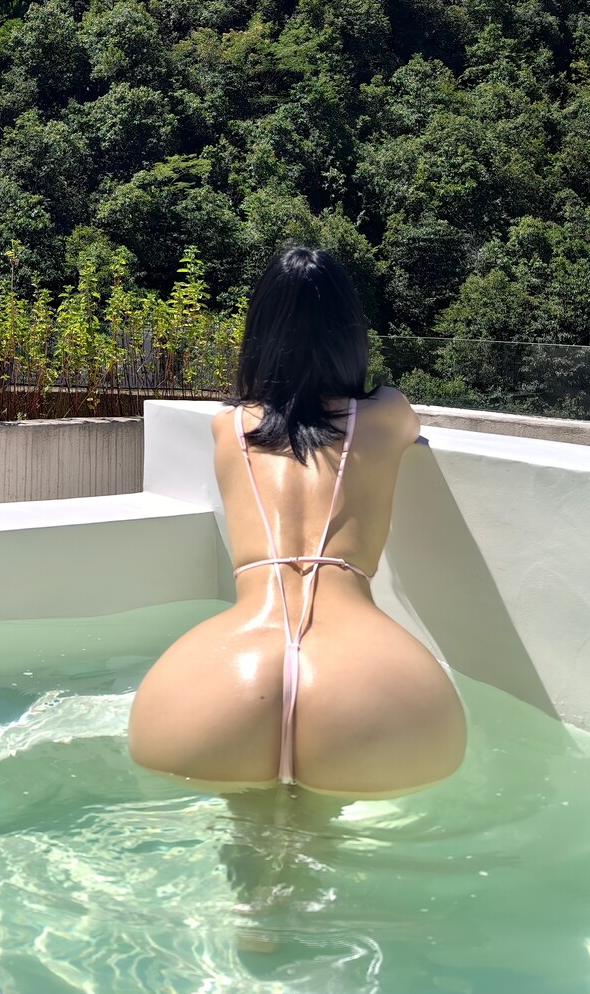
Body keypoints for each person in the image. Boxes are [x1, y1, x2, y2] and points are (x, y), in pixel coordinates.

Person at [128, 244, 467, 793]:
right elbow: (403, 432)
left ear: (259, 335)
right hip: (367, 675)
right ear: (350, 334)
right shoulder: (388, 412)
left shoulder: (228, 426)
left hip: (218, 677)